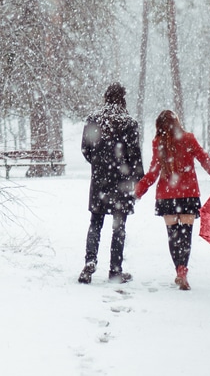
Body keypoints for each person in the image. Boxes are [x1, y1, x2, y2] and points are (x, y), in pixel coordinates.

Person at [135, 109, 210, 291]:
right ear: (176, 123)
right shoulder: (188, 138)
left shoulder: (158, 143)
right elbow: (205, 161)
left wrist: (138, 190)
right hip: (188, 195)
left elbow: (153, 172)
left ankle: (178, 269)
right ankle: (182, 271)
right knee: (185, 235)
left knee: (173, 236)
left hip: (167, 197)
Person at [78, 83, 143, 284]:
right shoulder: (129, 123)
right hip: (122, 182)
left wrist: (98, 164)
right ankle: (115, 269)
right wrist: (136, 176)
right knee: (119, 226)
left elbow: (85, 149)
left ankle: (90, 262)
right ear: (123, 99)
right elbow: (134, 155)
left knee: (95, 222)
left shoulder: (93, 120)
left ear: (106, 98)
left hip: (99, 180)